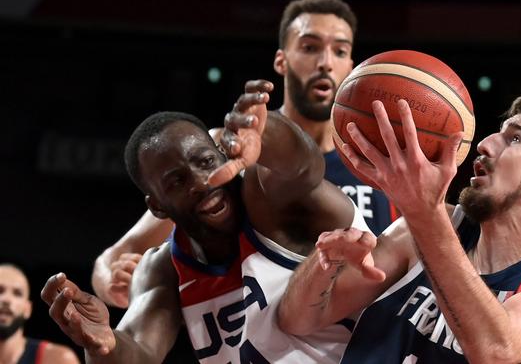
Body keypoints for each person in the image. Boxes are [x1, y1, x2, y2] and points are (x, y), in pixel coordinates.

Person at [91, 0, 396, 309]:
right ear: (282, 60)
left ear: (351, 65)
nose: (326, 62)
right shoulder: (223, 147)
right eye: (309, 47)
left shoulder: (378, 161)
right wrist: (111, 281)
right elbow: (116, 255)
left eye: (340, 51)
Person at [41, 79, 369, 363]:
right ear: (157, 206)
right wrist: (103, 347)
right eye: (177, 182)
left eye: (206, 161)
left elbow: (304, 168)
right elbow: (138, 350)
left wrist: (266, 132)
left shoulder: (266, 197)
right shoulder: (163, 269)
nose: (201, 181)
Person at [278, 96, 521, 363]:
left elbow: (496, 349)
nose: (484, 143)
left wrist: (424, 210)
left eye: (514, 138)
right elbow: (296, 320)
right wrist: (323, 267)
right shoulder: (423, 230)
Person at [0, 264, 79, 364]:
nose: (6, 299)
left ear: (27, 309)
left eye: (17, 293)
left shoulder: (58, 359)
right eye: (0, 290)